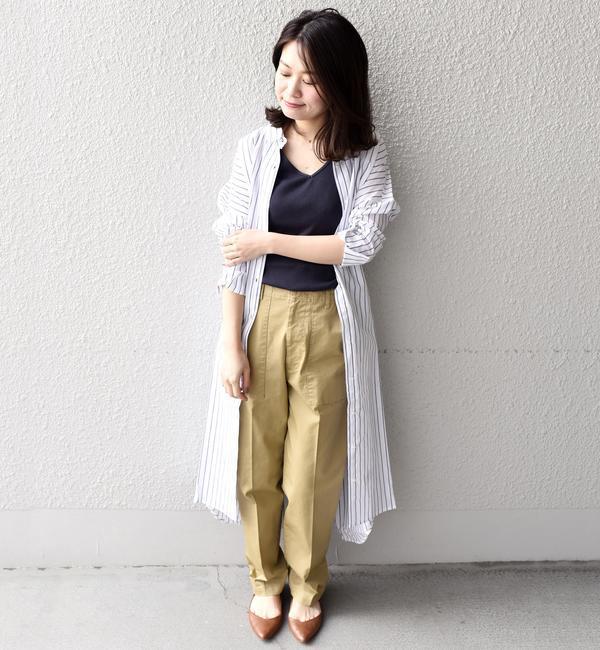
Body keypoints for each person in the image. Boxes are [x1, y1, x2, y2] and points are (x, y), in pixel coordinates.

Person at [193, 8, 401, 643]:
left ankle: (308, 587)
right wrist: (229, 342)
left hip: (328, 324)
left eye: (309, 78)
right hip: (261, 316)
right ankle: (266, 581)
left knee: (313, 467)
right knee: (256, 462)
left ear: (339, 83)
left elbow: (357, 245)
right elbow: (233, 254)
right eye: (284, 72)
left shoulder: (366, 158)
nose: (292, 89)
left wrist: (267, 239)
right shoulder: (256, 150)